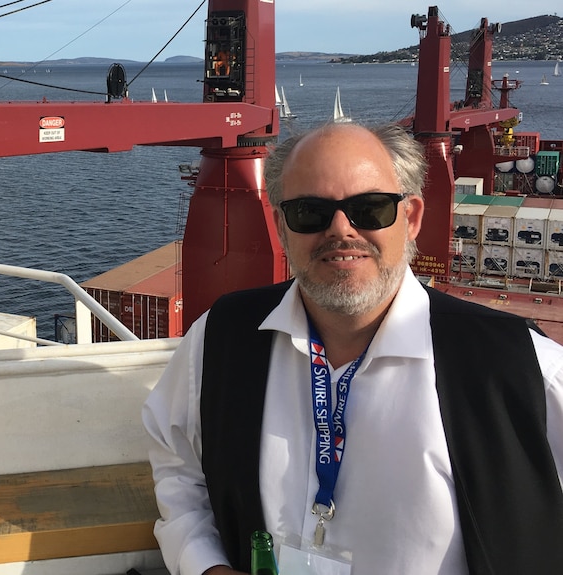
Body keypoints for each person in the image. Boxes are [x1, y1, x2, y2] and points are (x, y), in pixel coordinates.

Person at [142, 122, 563, 575]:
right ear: (283, 227)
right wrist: (204, 564)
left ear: (413, 217)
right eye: (310, 211)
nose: (341, 230)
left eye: (371, 208)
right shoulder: (222, 335)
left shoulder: (522, 367)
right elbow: (177, 462)